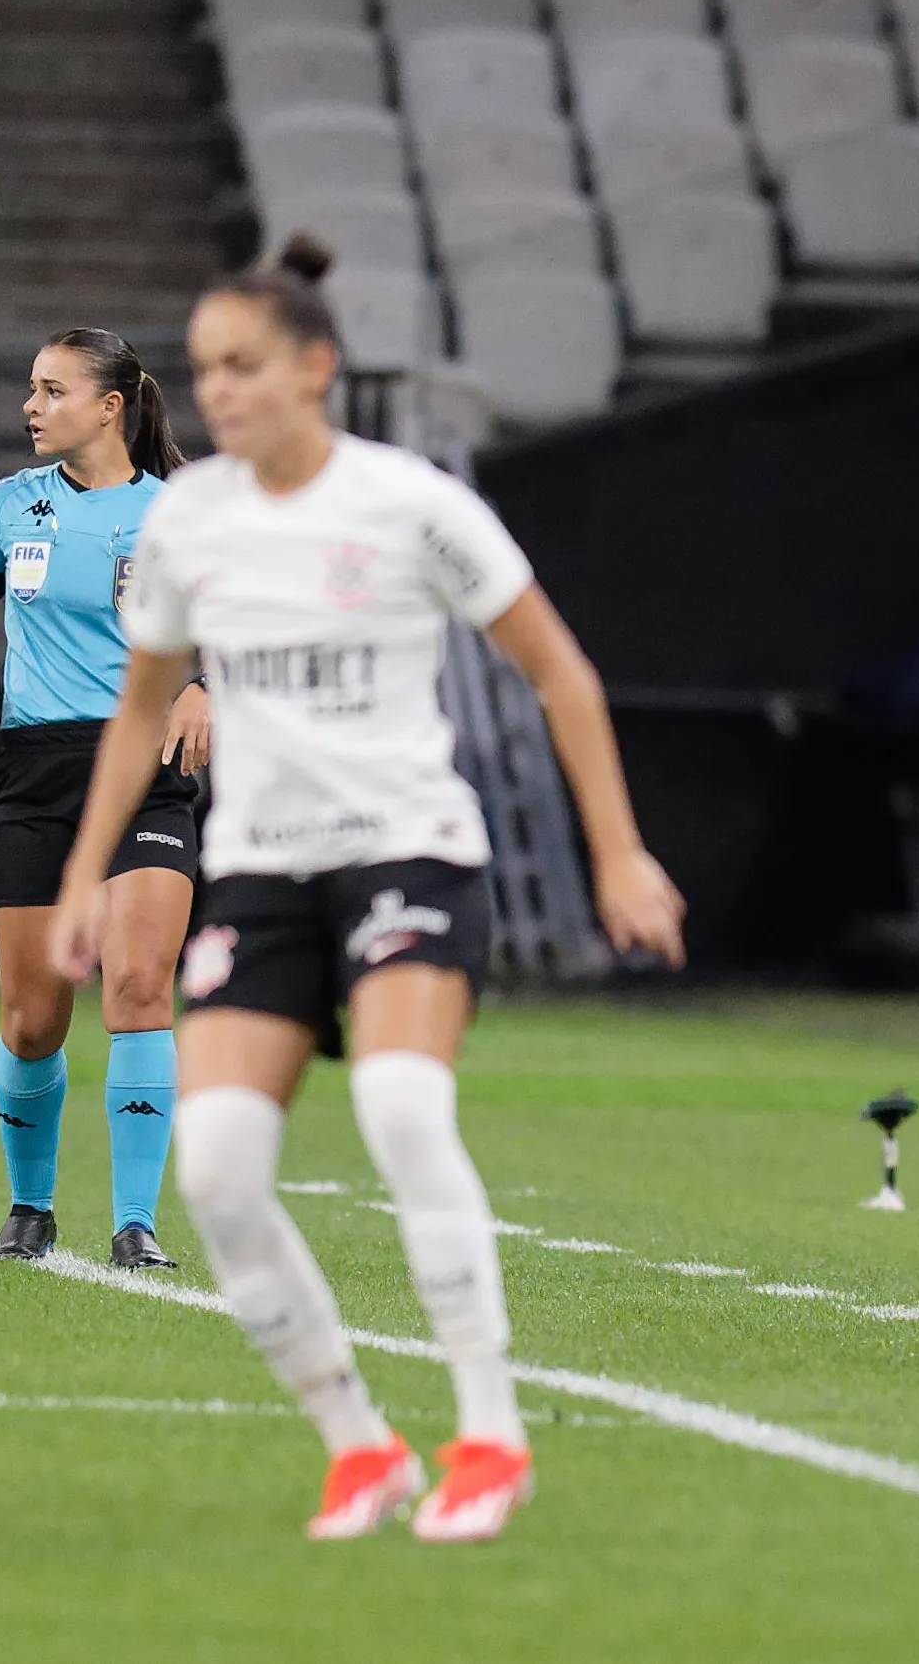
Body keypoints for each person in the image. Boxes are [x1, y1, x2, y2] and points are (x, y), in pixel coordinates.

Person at [43, 237, 688, 1543]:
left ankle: (491, 1433)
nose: (220, 389)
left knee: (400, 1099)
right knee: (219, 1168)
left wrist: (618, 850)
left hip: (409, 851)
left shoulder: (413, 504)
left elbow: (560, 672)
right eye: (208, 367)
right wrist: (78, 874)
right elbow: (142, 707)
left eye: (247, 364)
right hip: (266, 871)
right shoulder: (193, 518)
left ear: (315, 367)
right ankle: (359, 1442)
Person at [0, 329, 210, 1269]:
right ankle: (31, 1207)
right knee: (32, 1020)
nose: (30, 405)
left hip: (146, 769)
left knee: (136, 984)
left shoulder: (180, 513)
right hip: (35, 775)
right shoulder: (11, 506)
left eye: (50, 390)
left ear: (108, 406)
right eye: (30, 389)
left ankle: (136, 1223)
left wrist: (204, 684)